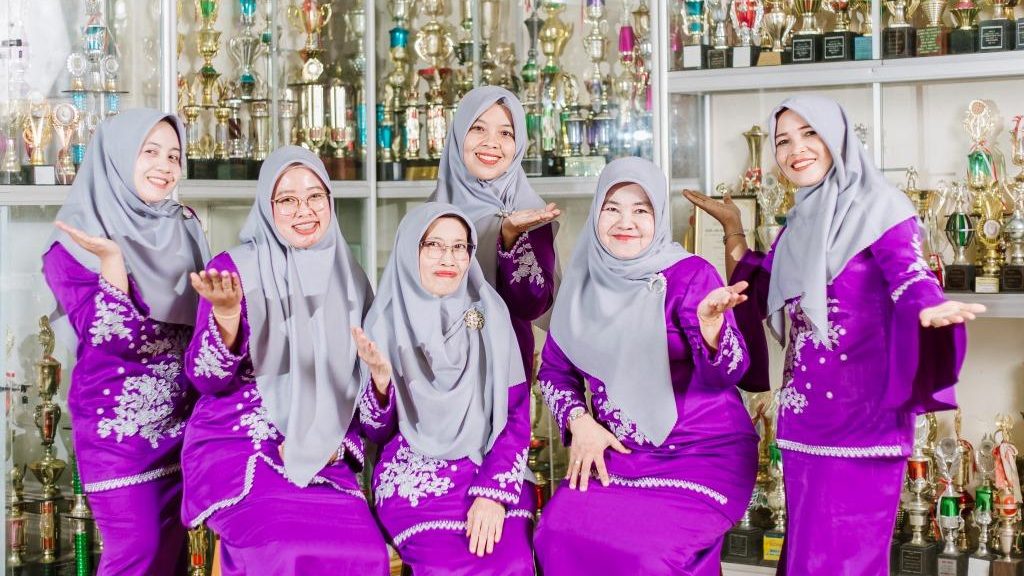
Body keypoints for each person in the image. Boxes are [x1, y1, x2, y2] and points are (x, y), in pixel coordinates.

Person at [685, 94, 984, 574]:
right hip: (803, 424)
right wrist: (734, 230)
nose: (795, 149)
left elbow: (910, 274)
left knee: (845, 562)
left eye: (810, 134)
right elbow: (761, 284)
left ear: (838, 138)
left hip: (864, 424)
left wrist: (929, 306)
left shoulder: (881, 207)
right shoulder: (800, 221)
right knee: (806, 558)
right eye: (783, 140)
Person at [534, 157, 760, 575]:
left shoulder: (691, 275)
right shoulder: (582, 286)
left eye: (641, 210)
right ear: (597, 213)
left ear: (658, 217)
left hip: (703, 451)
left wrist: (712, 331)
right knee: (556, 531)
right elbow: (554, 372)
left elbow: (728, 375)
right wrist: (580, 422)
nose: (626, 222)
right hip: (620, 453)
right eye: (612, 208)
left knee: (649, 557)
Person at [181, 146, 388, 575]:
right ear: (267, 206)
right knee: (282, 548)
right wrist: (226, 319)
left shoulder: (351, 280)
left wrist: (337, 442)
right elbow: (207, 381)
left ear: (329, 200)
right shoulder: (232, 270)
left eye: (315, 196)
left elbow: (354, 394)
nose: (304, 210)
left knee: (365, 552)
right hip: (240, 444)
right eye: (288, 200)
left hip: (322, 450)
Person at [42, 109, 209, 575]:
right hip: (119, 436)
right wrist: (112, 261)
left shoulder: (184, 225)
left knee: (171, 559)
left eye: (174, 155)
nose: (165, 166)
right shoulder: (73, 242)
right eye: (149, 152)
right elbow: (109, 337)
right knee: (136, 553)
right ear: (116, 156)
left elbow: (203, 325)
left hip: (183, 429)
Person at [353, 203, 535, 576]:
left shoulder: (490, 313)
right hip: (416, 477)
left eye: (459, 247)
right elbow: (376, 433)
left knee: (511, 559)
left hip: (488, 465)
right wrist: (381, 386)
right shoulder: (384, 322)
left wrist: (492, 493)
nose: (448, 258)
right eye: (434, 245)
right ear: (411, 249)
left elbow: (516, 413)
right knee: (444, 564)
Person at [430, 85, 560, 376]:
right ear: (458, 134)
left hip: (506, 371)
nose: (492, 143)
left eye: (506, 133)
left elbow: (533, 305)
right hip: (435, 368)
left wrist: (511, 238)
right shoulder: (430, 215)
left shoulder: (530, 213)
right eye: (478, 128)